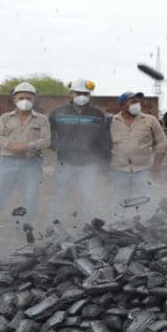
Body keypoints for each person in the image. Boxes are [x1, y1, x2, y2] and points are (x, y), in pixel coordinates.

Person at [0, 82, 50, 232]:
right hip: (7, 162)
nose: (25, 101)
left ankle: (27, 225)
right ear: (14, 99)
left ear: (34, 99)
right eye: (22, 97)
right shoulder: (5, 118)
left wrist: (28, 146)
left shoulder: (42, 119)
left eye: (29, 98)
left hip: (31, 163)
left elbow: (46, 140)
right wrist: (12, 146)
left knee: (31, 195)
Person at [47, 78, 110, 224]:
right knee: (59, 196)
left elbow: (105, 140)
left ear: (89, 95)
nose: (82, 96)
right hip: (65, 163)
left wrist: (104, 163)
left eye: (85, 93)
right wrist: (56, 145)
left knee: (90, 197)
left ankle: (92, 228)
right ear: (71, 94)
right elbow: (49, 134)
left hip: (89, 164)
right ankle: (54, 227)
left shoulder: (97, 114)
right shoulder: (58, 112)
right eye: (78, 93)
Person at [109, 91, 167, 221]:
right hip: (119, 170)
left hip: (144, 169)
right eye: (133, 102)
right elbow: (103, 145)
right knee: (119, 202)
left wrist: (157, 166)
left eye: (138, 101)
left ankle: (149, 226)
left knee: (148, 200)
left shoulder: (150, 120)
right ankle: (118, 229)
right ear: (123, 105)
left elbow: (162, 143)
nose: (137, 104)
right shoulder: (111, 122)